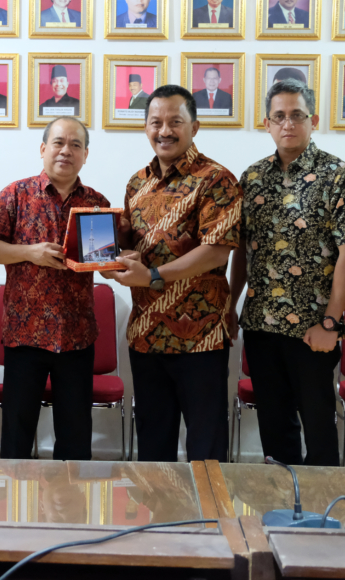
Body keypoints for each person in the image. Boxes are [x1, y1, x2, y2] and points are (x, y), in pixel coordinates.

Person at [229, 79, 345, 466]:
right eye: (279, 117)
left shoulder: (338, 175)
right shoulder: (252, 178)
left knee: (319, 429)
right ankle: (281, 498)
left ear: (313, 121)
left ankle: (321, 504)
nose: (287, 124)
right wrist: (229, 305)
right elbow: (242, 249)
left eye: (296, 115)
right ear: (267, 124)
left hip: (314, 329)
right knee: (275, 433)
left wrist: (331, 322)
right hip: (261, 325)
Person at [104, 85, 242, 462]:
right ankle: (158, 504)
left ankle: (208, 504)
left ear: (194, 127)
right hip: (146, 335)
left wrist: (151, 275)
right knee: (153, 449)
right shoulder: (138, 182)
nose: (164, 131)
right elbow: (136, 243)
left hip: (200, 337)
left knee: (206, 451)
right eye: (156, 122)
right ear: (146, 127)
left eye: (175, 122)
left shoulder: (217, 179)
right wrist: (112, 250)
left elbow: (216, 250)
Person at [0, 117, 108, 460]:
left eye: (76, 145)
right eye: (59, 143)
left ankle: (70, 493)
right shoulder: (16, 194)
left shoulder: (96, 203)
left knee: (75, 436)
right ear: (43, 148)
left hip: (77, 335)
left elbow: (105, 259)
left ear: (86, 155)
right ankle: (15, 495)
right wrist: (29, 253)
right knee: (16, 435)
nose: (66, 151)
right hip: (25, 334)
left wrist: (114, 262)